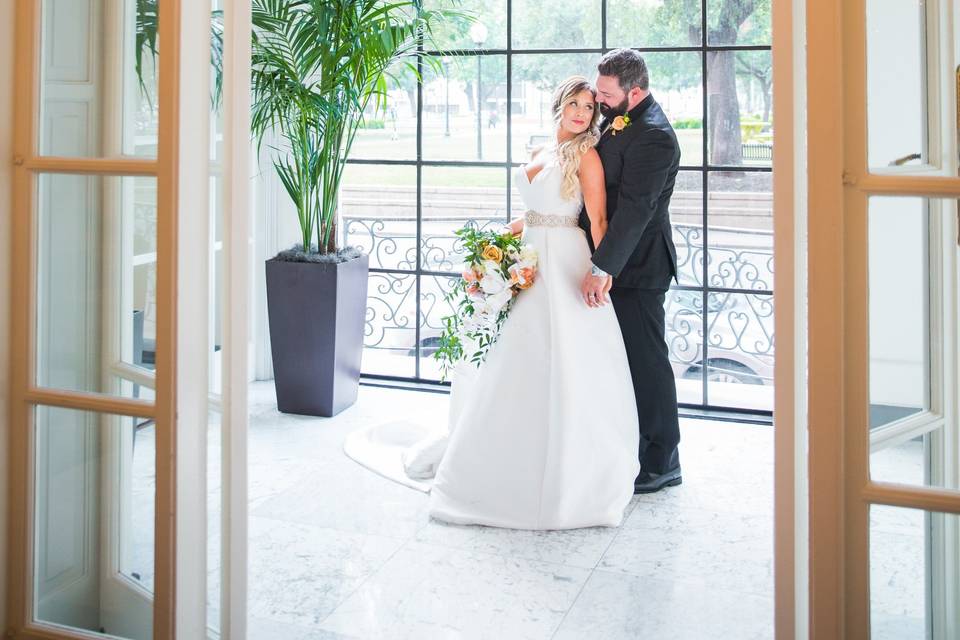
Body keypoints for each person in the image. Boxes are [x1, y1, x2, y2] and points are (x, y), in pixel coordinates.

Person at [402, 76, 640, 530]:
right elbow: (532, 215)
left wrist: (603, 270)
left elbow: (599, 219)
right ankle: (502, 456)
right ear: (559, 105)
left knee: (565, 357)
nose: (581, 113)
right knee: (514, 358)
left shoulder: (586, 156)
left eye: (590, 108)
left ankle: (569, 468)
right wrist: (492, 245)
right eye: (574, 104)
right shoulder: (540, 152)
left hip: (566, 263)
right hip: (529, 259)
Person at [578, 48, 683, 494]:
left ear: (634, 91)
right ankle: (628, 447)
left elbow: (637, 209)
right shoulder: (623, 118)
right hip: (616, 259)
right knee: (619, 362)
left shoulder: (655, 136)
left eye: (605, 94)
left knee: (647, 363)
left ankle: (662, 461)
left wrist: (603, 266)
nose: (599, 100)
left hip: (639, 267)